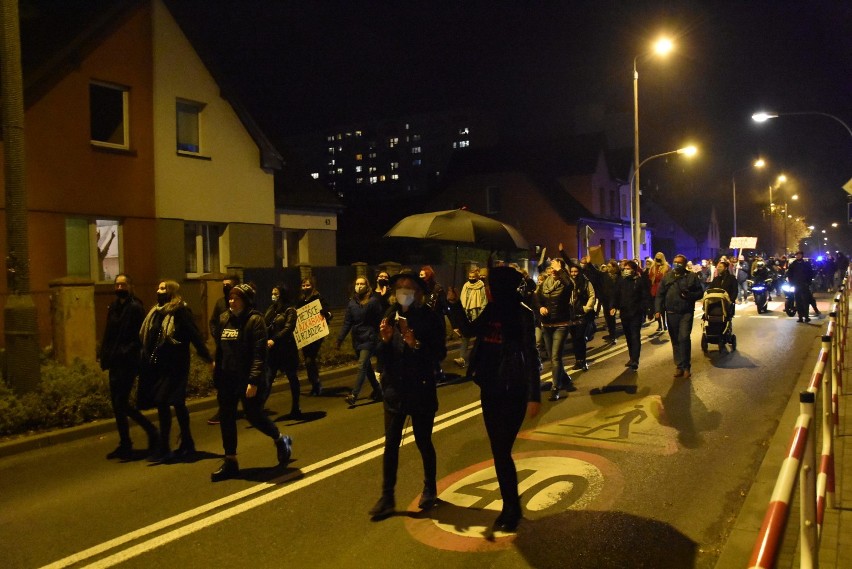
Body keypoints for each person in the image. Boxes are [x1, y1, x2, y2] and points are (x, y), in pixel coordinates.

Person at [448, 266, 541, 532]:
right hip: (489, 388)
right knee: (499, 451)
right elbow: (467, 329)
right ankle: (510, 505)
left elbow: (532, 355)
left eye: (491, 284)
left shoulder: (522, 314)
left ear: (500, 287)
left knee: (501, 450)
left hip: (514, 389)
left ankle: (511, 508)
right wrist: (453, 304)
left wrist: (534, 395)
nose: (487, 288)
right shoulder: (491, 310)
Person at [368, 272, 447, 518]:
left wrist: (416, 345)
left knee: (423, 442)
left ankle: (430, 487)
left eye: (409, 288)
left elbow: (439, 354)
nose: (404, 292)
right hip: (395, 391)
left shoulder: (430, 318)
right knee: (390, 445)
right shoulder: (389, 314)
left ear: (419, 293)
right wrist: (384, 340)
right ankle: (387, 496)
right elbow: (380, 353)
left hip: (421, 390)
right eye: (400, 288)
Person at [210, 284, 293, 482]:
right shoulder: (224, 319)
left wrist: (254, 381)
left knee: (254, 416)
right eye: (230, 298)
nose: (232, 302)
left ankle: (281, 439)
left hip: (247, 379)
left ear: (246, 300)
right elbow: (221, 349)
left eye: (236, 298)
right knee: (227, 419)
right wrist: (217, 369)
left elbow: (259, 354)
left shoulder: (256, 321)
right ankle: (231, 461)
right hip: (227, 378)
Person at [139, 280, 213, 462]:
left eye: (163, 288)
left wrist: (209, 359)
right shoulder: (156, 312)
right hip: (160, 366)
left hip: (177, 365)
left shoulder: (181, 312)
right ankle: (187, 442)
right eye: (158, 287)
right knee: (176, 404)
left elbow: (194, 336)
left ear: (171, 292)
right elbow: (150, 337)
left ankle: (164, 447)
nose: (158, 290)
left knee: (164, 401)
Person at [100, 274, 158, 460]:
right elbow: (109, 333)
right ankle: (125, 442)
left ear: (130, 286)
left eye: (123, 284)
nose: (119, 287)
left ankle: (149, 431)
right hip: (114, 362)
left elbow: (140, 335)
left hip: (128, 362)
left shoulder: (135, 307)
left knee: (121, 402)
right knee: (117, 406)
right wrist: (104, 354)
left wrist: (127, 352)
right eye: (117, 284)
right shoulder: (114, 307)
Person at [654, 254, 704, 379]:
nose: (676, 264)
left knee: (684, 337)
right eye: (675, 262)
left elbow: (700, 293)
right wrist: (658, 310)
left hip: (686, 312)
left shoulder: (691, 277)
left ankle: (686, 366)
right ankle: (679, 366)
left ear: (685, 264)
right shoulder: (667, 277)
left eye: (679, 263)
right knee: (675, 340)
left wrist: (689, 295)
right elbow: (660, 294)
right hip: (671, 313)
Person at [337, 276, 384, 405]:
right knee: (367, 368)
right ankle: (379, 391)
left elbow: (379, 319)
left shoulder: (373, 301)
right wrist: (340, 339)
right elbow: (348, 322)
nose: (359, 286)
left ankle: (354, 394)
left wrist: (380, 336)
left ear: (367, 286)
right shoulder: (352, 303)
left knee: (362, 365)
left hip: (369, 338)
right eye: (357, 283)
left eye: (362, 283)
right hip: (357, 339)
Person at [534, 257, 575, 400]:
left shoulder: (565, 283)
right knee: (553, 357)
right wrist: (541, 308)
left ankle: (555, 387)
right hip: (547, 324)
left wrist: (560, 270)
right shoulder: (545, 283)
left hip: (561, 324)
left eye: (555, 268)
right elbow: (537, 298)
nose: (552, 270)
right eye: (551, 267)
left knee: (556, 357)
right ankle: (565, 378)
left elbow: (570, 286)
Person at [264, 284, 302, 419]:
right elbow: (264, 324)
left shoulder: (290, 310)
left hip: (287, 349)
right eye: (272, 293)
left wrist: (274, 339)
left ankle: (296, 407)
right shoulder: (271, 309)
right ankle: (258, 408)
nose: (273, 296)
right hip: (273, 351)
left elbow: (288, 328)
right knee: (268, 378)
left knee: (292, 377)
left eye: (276, 293)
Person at [207, 274, 240, 425]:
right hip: (223, 349)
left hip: (237, 352)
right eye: (224, 284)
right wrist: (217, 334)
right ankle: (224, 411)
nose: (225, 287)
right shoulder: (220, 303)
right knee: (221, 382)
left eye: (228, 284)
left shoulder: (243, 303)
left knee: (236, 383)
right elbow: (213, 322)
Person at [610, 260, 652, 370]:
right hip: (624, 313)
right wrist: (613, 306)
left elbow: (645, 296)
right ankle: (631, 357)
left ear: (633, 270)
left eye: (628, 269)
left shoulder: (639, 281)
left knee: (634, 336)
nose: (626, 271)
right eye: (625, 269)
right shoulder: (621, 281)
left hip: (636, 313)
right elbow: (615, 294)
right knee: (628, 336)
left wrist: (647, 309)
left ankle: (635, 360)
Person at [297, 276, 332, 396]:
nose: (305, 287)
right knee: (308, 360)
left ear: (312, 286)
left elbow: (327, 311)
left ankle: (316, 383)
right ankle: (314, 383)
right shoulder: (301, 300)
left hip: (316, 335)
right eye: (303, 285)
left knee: (309, 359)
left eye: (308, 285)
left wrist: (325, 313)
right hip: (305, 336)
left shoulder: (318, 298)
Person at [452, 267, 487, 368]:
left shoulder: (481, 286)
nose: (471, 278)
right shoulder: (466, 286)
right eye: (470, 277)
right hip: (467, 314)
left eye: (473, 277)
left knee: (479, 338)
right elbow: (462, 299)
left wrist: (481, 314)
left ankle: (477, 358)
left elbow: (483, 301)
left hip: (477, 314)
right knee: (465, 336)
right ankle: (462, 358)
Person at [787, 251, 817, 322]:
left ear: (802, 256)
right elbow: (789, 274)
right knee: (798, 302)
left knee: (805, 301)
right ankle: (800, 317)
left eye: (799, 255)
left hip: (804, 285)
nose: (798, 256)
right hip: (796, 286)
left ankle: (806, 317)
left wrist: (808, 282)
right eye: (797, 255)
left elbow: (811, 273)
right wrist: (791, 283)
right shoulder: (793, 265)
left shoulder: (806, 264)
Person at [647, 253, 669, 331]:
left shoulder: (666, 267)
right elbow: (650, 277)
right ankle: (659, 324)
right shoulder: (653, 267)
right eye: (657, 258)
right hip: (655, 289)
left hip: (663, 289)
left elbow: (668, 278)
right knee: (657, 308)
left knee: (663, 308)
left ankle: (665, 323)